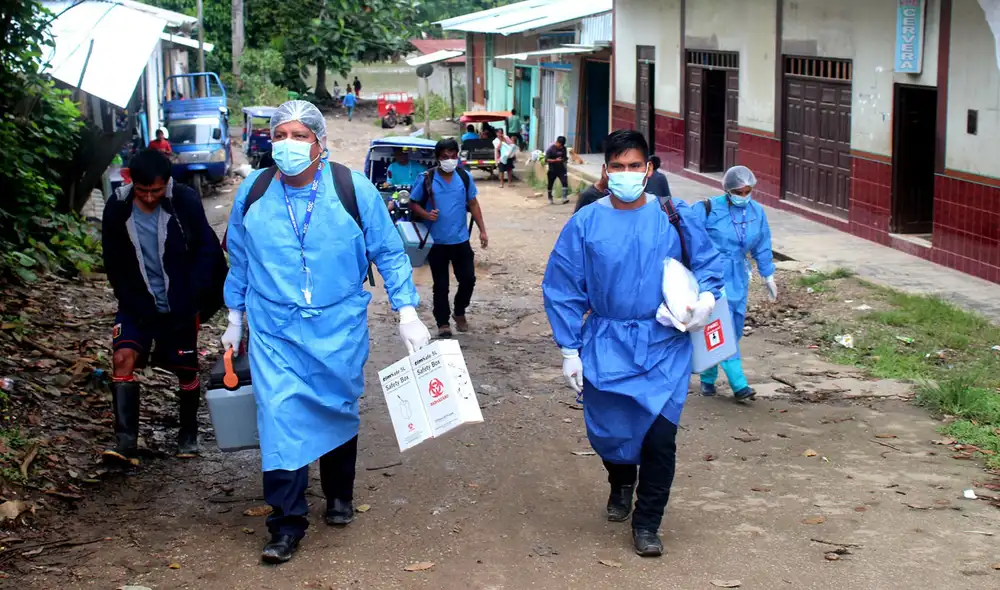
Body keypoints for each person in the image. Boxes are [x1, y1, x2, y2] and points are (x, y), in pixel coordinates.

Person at [222, 100, 431, 564]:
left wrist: (407, 313)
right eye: (281, 135)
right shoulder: (253, 193)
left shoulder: (351, 189)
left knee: (336, 406)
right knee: (278, 417)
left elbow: (391, 253)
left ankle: (338, 493)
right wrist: (234, 318)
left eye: (300, 136)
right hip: (274, 328)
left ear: (320, 143)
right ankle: (285, 522)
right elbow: (239, 257)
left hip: (339, 326)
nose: (289, 145)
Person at [542, 129, 724, 557]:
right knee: (611, 433)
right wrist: (570, 350)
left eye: (635, 166)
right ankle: (621, 480)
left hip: (663, 344)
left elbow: (709, 266)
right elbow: (563, 285)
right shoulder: (586, 222)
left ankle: (648, 522)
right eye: (618, 167)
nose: (627, 174)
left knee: (660, 439)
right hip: (606, 341)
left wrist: (707, 299)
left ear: (649, 169)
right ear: (606, 171)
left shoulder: (673, 215)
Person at [101, 149, 227, 464]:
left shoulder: (184, 201)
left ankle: (188, 433)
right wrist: (129, 298)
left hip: (180, 300)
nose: (148, 197)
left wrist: (193, 298)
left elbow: (206, 251)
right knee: (122, 358)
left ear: (166, 183)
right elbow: (113, 261)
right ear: (131, 182)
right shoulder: (117, 207)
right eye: (142, 191)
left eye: (156, 191)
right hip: (136, 300)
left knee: (185, 370)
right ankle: (126, 440)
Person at [698, 165, 776, 401]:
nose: (743, 196)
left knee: (735, 325)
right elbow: (687, 234)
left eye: (747, 191)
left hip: (739, 275)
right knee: (722, 328)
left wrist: (768, 274)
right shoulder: (708, 208)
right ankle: (739, 385)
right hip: (713, 274)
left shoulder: (756, 212)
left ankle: (707, 377)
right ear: (728, 189)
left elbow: (762, 243)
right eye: (738, 191)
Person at [409, 139, 489, 338]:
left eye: (453, 156)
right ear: (438, 158)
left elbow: (474, 204)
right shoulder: (426, 178)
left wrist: (482, 230)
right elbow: (413, 203)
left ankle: (460, 310)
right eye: (445, 157)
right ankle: (443, 322)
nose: (450, 160)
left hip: (460, 240)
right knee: (441, 285)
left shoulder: (464, 177)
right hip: (436, 243)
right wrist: (426, 215)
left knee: (468, 279)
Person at [545, 136, 569, 204]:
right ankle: (550, 198)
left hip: (561, 169)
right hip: (552, 170)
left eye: (562, 146)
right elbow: (546, 160)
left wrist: (564, 160)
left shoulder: (564, 149)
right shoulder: (551, 149)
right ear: (557, 142)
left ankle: (564, 198)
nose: (561, 147)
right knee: (550, 184)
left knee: (564, 182)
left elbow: (565, 157)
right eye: (560, 145)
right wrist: (555, 160)